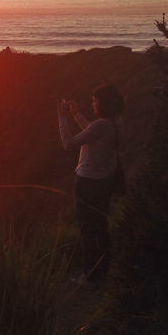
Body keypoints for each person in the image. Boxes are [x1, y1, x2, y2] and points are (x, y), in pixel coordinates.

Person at [57, 84, 126, 290]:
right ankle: (103, 270)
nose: (93, 104)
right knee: (100, 226)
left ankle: (90, 277)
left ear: (104, 103)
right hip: (105, 182)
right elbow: (91, 133)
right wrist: (76, 115)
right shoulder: (115, 122)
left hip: (87, 183)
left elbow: (68, 143)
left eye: (96, 101)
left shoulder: (101, 125)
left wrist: (61, 117)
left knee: (86, 230)